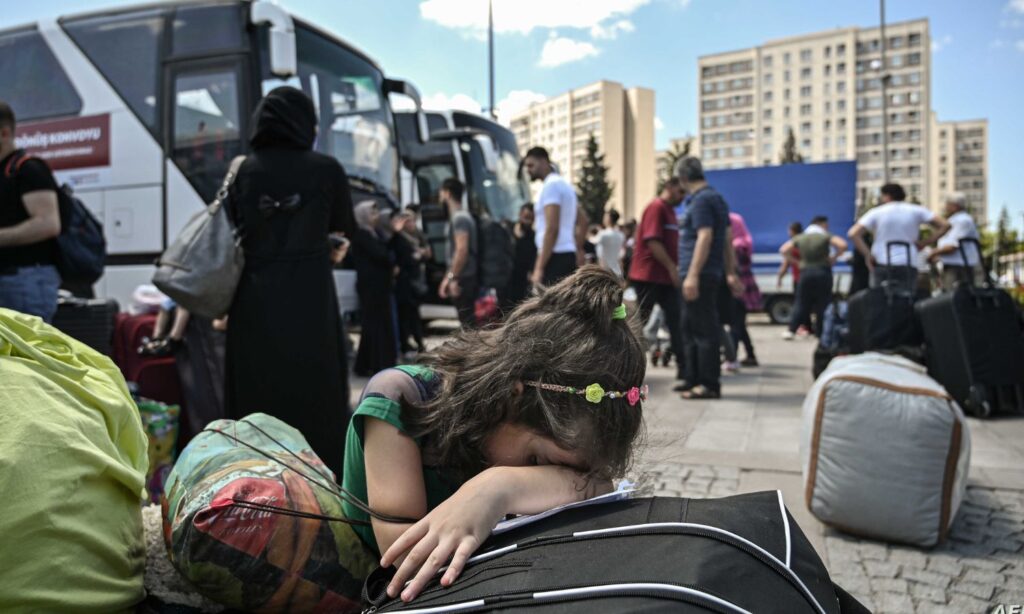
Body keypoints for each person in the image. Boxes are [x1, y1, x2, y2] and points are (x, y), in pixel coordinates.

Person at [341, 266, 646, 603]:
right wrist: (495, 491)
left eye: (564, 471)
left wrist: (499, 487)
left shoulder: (524, 455)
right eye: (537, 461)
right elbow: (402, 558)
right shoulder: (399, 401)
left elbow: (602, 486)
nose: (537, 476)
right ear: (510, 394)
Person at [224, 86, 354, 477]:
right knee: (317, 390)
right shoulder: (327, 168)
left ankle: (254, 485)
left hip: (254, 298)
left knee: (256, 390)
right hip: (309, 295)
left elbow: (233, 226)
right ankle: (322, 481)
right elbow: (345, 228)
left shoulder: (242, 169)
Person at [675, 157, 741, 400]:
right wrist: (731, 272)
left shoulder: (702, 200)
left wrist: (692, 275)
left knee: (703, 330)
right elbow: (726, 238)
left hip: (699, 273)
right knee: (690, 327)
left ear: (682, 178)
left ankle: (708, 384)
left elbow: (705, 236)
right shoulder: (716, 198)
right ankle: (692, 378)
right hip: (706, 272)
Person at [0, 101, 62, 322]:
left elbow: (48, 223)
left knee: (27, 354)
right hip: (13, 280)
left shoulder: (29, 169)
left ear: (4, 133)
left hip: (25, 280)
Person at [628, 177, 686, 382]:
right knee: (639, 323)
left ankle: (685, 369)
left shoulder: (670, 211)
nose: (683, 197)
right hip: (649, 276)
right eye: (680, 192)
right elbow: (652, 241)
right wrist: (672, 267)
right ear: (669, 187)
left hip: (665, 279)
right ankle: (625, 367)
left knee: (676, 322)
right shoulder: (656, 207)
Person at [848, 183, 950, 289]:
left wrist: (868, 254)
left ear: (887, 196)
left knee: (879, 298)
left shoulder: (876, 212)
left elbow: (853, 233)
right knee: (906, 298)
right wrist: (925, 242)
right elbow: (945, 225)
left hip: (882, 262)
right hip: (908, 262)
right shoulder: (917, 210)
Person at [351, 200, 403, 377]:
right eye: (372, 213)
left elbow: (387, 252)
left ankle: (370, 363)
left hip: (380, 285)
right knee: (374, 325)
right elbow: (381, 255)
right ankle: (374, 363)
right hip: (371, 286)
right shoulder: (361, 234)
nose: (375, 217)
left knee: (377, 325)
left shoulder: (375, 233)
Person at [523, 147, 587, 287]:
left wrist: (539, 268)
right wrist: (577, 248)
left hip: (554, 257)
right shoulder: (565, 186)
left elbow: (552, 228)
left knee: (551, 307)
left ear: (544, 161)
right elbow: (583, 221)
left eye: (531, 165)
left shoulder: (551, 186)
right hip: (566, 255)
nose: (528, 170)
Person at [780, 215, 848, 339]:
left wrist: (797, 262)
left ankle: (792, 329)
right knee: (823, 303)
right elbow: (843, 244)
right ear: (820, 224)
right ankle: (821, 331)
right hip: (823, 271)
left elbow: (784, 250)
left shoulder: (801, 237)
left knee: (801, 301)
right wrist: (834, 257)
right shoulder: (825, 236)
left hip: (806, 272)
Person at [437, 178, 478, 327]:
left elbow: (461, 251)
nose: (439, 198)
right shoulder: (462, 217)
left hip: (463, 278)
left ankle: (473, 351)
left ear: (447, 193)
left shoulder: (459, 218)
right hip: (463, 276)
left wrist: (452, 278)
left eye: (440, 193)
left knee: (467, 325)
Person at [930, 192, 983, 291]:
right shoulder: (956, 219)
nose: (946, 207)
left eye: (947, 204)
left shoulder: (962, 220)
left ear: (955, 205)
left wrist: (933, 253)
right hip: (956, 265)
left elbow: (952, 246)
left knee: (954, 297)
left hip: (958, 267)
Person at [728, 212, 761, 367]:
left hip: (736, 288)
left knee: (736, 324)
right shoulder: (745, 243)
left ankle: (732, 356)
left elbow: (733, 269)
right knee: (740, 324)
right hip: (746, 289)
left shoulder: (735, 247)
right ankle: (750, 355)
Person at [394, 211, 426, 357]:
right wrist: (417, 256)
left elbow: (426, 253)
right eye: (407, 222)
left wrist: (419, 255)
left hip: (414, 281)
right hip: (405, 283)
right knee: (406, 316)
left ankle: (419, 344)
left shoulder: (416, 236)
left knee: (414, 315)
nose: (411, 224)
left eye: (413, 221)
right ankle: (406, 346)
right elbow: (407, 259)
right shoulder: (399, 238)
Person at [503, 202, 537, 310]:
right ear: (520, 214)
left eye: (531, 218)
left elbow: (533, 258)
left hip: (522, 280)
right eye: (526, 217)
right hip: (505, 278)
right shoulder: (508, 229)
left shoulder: (533, 237)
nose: (527, 221)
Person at [596, 209, 625, 278]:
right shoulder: (621, 235)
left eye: (605, 217)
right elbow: (621, 254)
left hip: (604, 270)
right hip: (617, 269)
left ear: (608, 219)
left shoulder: (603, 234)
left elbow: (600, 254)